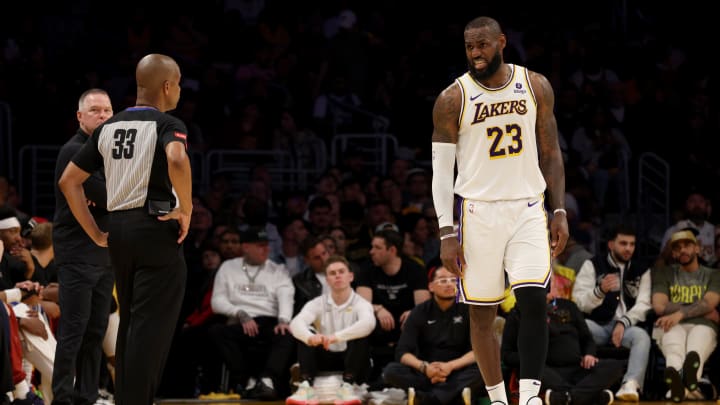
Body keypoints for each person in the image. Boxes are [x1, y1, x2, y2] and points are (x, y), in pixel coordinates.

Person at [430, 16, 569, 405]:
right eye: (470, 47)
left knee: (533, 300)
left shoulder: (535, 85)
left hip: (527, 207)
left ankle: (528, 398)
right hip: (477, 213)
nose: (476, 53)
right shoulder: (452, 99)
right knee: (482, 315)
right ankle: (496, 399)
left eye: (483, 45)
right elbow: (442, 175)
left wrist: (558, 211)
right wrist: (446, 232)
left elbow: (551, 152)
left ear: (502, 42)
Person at [57, 53, 192, 405]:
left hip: (118, 232)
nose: (178, 90)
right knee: (152, 329)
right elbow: (177, 158)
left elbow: (69, 181)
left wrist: (95, 234)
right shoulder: (167, 123)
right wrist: (187, 209)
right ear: (167, 86)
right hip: (155, 228)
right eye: (177, 84)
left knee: (131, 325)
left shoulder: (107, 127)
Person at [51, 88, 116, 405]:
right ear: (80, 116)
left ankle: (87, 396)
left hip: (105, 254)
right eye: (95, 110)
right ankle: (63, 397)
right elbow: (110, 196)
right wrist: (104, 195)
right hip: (77, 252)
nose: (103, 115)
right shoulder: (73, 150)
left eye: (107, 110)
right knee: (74, 330)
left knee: (96, 331)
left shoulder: (108, 153)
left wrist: (105, 195)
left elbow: (109, 195)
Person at [502, 276, 623, 405]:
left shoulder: (569, 306)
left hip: (578, 367)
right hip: (546, 370)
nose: (550, 286)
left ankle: (565, 398)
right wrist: (529, 359)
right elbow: (506, 354)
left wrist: (589, 354)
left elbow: (587, 338)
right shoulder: (518, 313)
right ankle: (590, 397)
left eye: (551, 282)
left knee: (615, 367)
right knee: (533, 373)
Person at [571, 224, 652, 401]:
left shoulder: (642, 270)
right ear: (611, 244)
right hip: (597, 326)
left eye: (632, 244)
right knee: (577, 328)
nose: (628, 248)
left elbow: (644, 305)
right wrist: (598, 291)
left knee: (642, 337)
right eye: (623, 243)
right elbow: (578, 301)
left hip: (626, 329)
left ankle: (630, 384)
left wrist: (623, 322)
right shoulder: (593, 265)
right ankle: (575, 383)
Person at [382, 266, 484, 405]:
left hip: (458, 369)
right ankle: (453, 396)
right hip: (426, 371)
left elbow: (479, 350)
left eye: (453, 280)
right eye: (442, 280)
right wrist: (425, 368)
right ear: (430, 286)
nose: (449, 284)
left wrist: (450, 366)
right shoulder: (419, 312)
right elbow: (402, 352)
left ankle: (427, 398)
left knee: (484, 370)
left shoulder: (470, 310)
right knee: (391, 371)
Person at [287, 255, 375, 405]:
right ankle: (306, 386)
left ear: (351, 276)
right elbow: (295, 323)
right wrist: (310, 337)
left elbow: (368, 324)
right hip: (325, 357)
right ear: (327, 280)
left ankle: (347, 387)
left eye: (341, 271)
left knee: (360, 334)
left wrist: (336, 337)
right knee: (306, 332)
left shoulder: (361, 303)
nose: (337, 276)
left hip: (353, 360)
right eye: (332, 273)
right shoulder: (317, 303)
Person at [651, 229, 720, 402]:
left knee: (695, 349)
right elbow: (659, 306)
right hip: (672, 324)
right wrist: (700, 306)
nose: (682, 250)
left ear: (697, 249)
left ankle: (676, 389)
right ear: (673, 253)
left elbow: (710, 302)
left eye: (687, 245)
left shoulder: (714, 274)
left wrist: (679, 313)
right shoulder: (664, 273)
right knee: (674, 348)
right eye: (677, 248)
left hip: (703, 325)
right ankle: (687, 386)